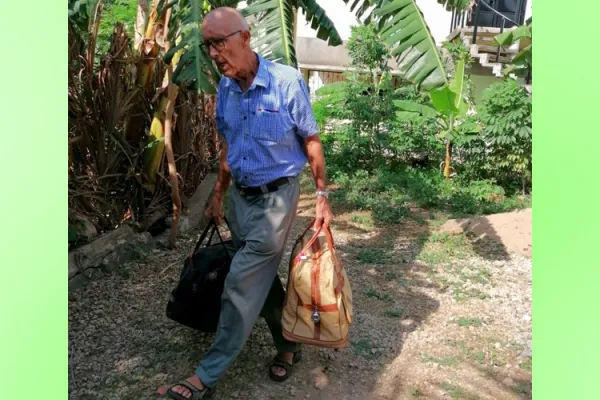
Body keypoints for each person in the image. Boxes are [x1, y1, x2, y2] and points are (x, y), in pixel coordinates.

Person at [157, 6, 333, 400]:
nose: (214, 54)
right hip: (240, 199)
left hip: (277, 200)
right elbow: (228, 145)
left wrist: (322, 195)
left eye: (220, 43)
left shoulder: (286, 82)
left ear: (245, 38)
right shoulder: (225, 89)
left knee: (239, 284)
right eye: (208, 46)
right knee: (261, 277)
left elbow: (311, 140)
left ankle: (206, 376)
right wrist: (219, 193)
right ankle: (288, 344)